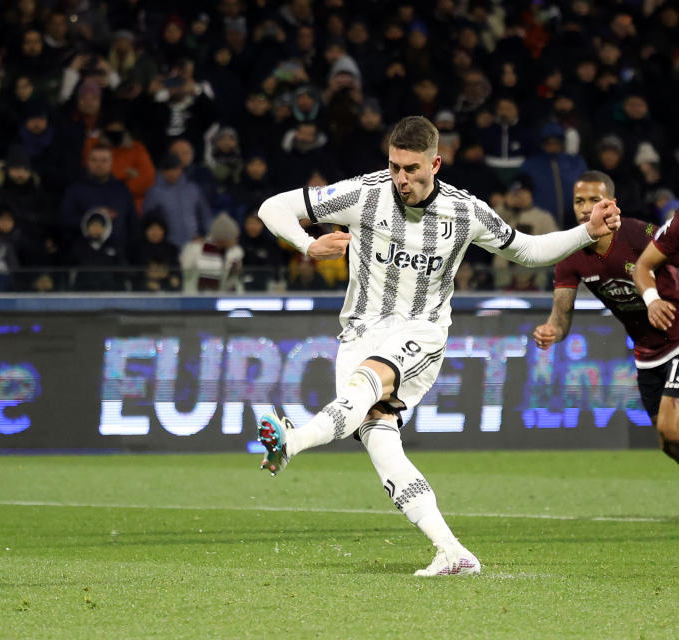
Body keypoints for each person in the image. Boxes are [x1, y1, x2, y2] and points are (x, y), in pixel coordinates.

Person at [255, 116, 621, 577]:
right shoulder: (364, 193)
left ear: (436, 163)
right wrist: (309, 246)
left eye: (412, 169)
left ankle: (292, 440)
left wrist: (587, 231)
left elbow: (526, 250)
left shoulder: (465, 211)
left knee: (367, 385)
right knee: (381, 441)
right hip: (359, 330)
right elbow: (272, 208)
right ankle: (451, 551)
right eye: (394, 167)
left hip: (421, 331)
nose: (401, 179)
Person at [534, 171, 679, 465]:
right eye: (579, 201)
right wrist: (551, 330)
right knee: (666, 443)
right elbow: (561, 317)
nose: (586, 208)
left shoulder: (640, 234)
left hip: (677, 339)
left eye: (594, 200)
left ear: (612, 204)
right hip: (647, 353)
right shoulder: (569, 253)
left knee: (671, 427)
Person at [629, 188, 679, 465]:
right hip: (665, 337)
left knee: (671, 428)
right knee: (668, 442)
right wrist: (653, 300)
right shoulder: (676, 225)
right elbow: (642, 267)